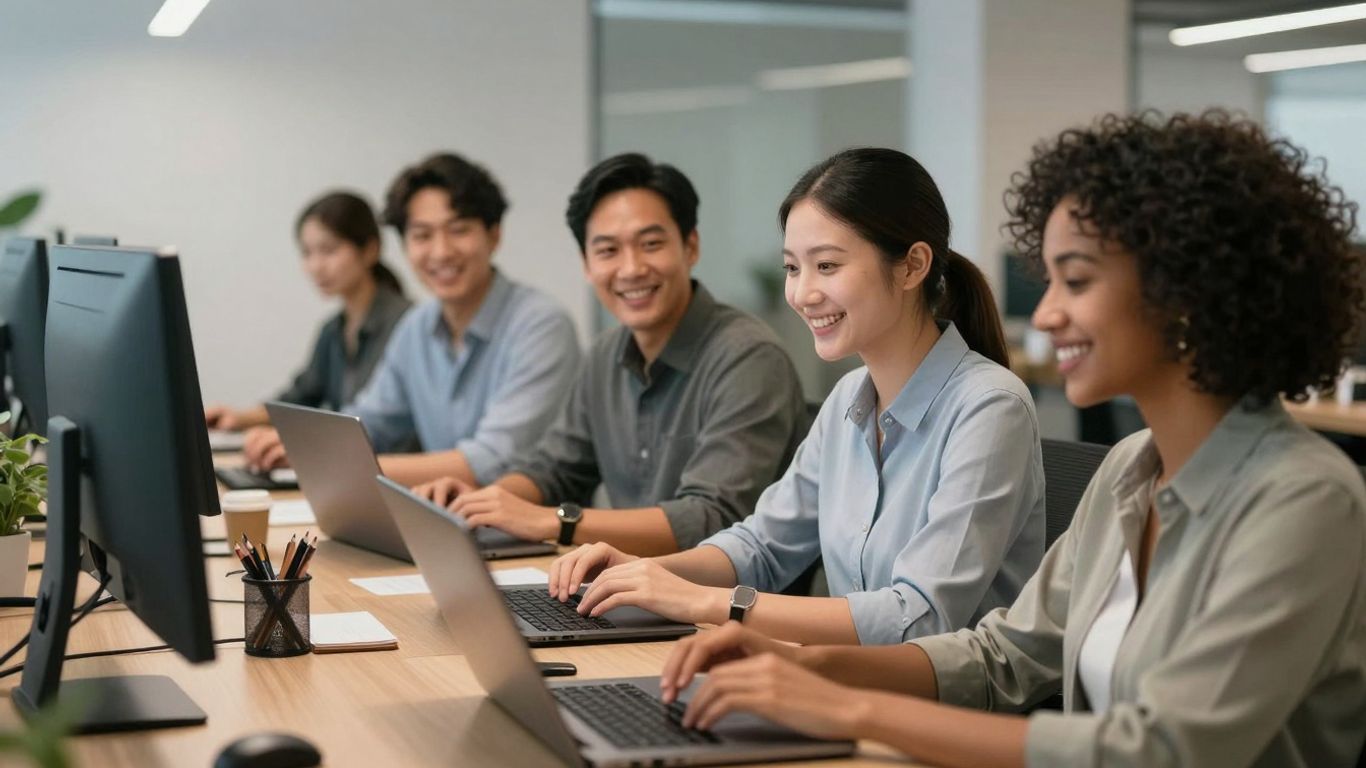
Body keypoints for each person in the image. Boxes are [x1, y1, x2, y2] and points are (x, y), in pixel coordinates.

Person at [657, 112, 1366, 768]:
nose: (1048, 313)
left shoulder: (1306, 499)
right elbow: (1003, 655)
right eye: (1049, 279)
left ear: (1188, 290)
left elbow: (1160, 750)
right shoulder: (1130, 470)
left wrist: (848, 704)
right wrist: (808, 665)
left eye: (1076, 281)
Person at [548, 147, 1045, 646]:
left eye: (826, 266)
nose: (803, 293)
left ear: (913, 266)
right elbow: (761, 547)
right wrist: (643, 572)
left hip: (937, 713)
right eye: (792, 268)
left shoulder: (989, 407)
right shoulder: (849, 398)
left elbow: (919, 617)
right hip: (845, 686)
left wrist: (706, 603)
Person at [413, 153, 807, 557]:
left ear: (690, 247)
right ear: (586, 264)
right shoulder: (605, 353)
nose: (631, 268)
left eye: (650, 244)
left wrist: (557, 523)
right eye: (607, 251)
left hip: (723, 608)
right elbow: (556, 469)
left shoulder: (748, 358)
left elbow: (710, 517)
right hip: (627, 589)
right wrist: (482, 502)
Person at [244, 153, 581, 487]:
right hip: (444, 523)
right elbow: (370, 420)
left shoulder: (541, 325)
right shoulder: (416, 326)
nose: (441, 251)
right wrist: (305, 445)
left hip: (536, 535)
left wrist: (335, 463)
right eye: (422, 235)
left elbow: (491, 460)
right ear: (404, 245)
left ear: (493, 236)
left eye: (458, 230)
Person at [204, 191, 409, 429]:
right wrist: (240, 418)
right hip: (350, 455)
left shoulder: (407, 324)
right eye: (307, 253)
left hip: (395, 460)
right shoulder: (333, 330)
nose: (316, 266)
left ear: (370, 250)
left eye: (329, 250)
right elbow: (301, 398)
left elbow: (383, 420)